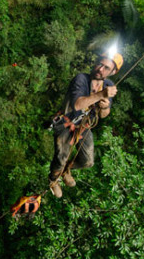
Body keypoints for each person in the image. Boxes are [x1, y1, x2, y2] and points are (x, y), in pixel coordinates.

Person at [47, 50, 123, 198]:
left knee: (87, 161)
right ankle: (53, 180)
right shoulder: (81, 79)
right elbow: (77, 105)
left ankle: (67, 170)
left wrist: (105, 106)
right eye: (99, 64)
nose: (100, 69)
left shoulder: (108, 85)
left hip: (84, 126)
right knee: (60, 158)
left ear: (113, 72)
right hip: (66, 123)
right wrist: (101, 95)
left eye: (106, 68)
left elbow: (103, 115)